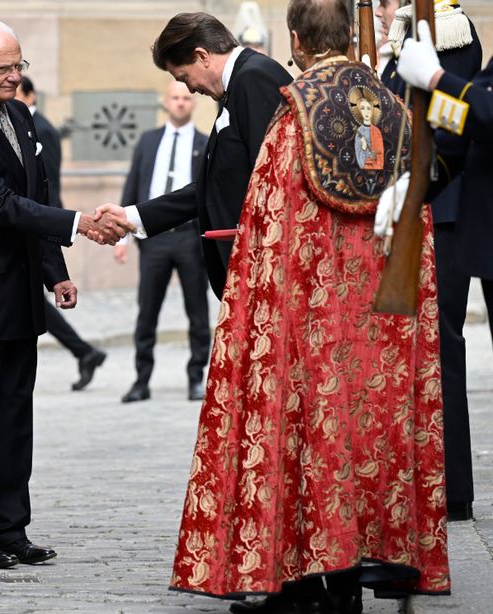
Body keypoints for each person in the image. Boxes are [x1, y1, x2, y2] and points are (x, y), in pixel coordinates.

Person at [167, 2, 450, 612]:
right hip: (381, 324)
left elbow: (265, 230)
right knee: (361, 435)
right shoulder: (398, 112)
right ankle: (353, 578)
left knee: (301, 436)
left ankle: (301, 577)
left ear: (295, 40)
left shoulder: (292, 116)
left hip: (309, 321)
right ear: (350, 35)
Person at [0, 19, 120, 571]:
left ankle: (11, 528)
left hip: (15, 298)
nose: (14, 77)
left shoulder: (17, 114)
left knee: (14, 419)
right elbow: (0, 205)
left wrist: (53, 271)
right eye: (2, 68)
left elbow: (35, 192)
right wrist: (80, 222)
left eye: (19, 66)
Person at [94, 12, 292, 299]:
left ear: (202, 56)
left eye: (184, 77)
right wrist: (132, 216)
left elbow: (275, 179)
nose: (190, 89)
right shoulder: (239, 82)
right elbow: (212, 185)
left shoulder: (253, 78)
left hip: (264, 270)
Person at [382, 0, 483, 522]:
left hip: (443, 207)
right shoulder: (397, 42)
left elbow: (457, 120)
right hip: (411, 199)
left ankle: (453, 486)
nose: (377, 12)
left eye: (381, 3)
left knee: (441, 345)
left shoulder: (448, 31)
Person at [113, 81, 210, 404]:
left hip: (188, 239)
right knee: (147, 310)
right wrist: (122, 236)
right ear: (165, 103)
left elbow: (209, 195)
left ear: (192, 103)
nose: (180, 103)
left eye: (186, 98)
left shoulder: (204, 143)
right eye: (175, 98)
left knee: (197, 310)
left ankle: (196, 377)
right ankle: (141, 380)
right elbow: (132, 187)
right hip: (152, 240)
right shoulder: (148, 141)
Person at [16, 76, 107, 391]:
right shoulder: (17, 124)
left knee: (36, 297)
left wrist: (52, 228)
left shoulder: (41, 128)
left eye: (16, 91)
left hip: (41, 224)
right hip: (29, 222)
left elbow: (47, 185)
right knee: (33, 298)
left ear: (29, 95)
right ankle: (84, 351)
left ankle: (85, 351)